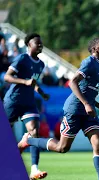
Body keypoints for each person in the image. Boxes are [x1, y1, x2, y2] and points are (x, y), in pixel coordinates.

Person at [18, 38, 99, 180]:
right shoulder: (89, 62)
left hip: (89, 114)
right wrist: (86, 104)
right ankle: (29, 140)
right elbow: (73, 83)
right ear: (94, 48)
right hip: (75, 110)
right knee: (62, 148)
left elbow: (87, 93)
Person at [3, 33, 49, 179]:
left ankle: (34, 169)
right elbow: (7, 77)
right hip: (13, 101)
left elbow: (33, 82)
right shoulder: (22, 58)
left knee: (34, 131)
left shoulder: (41, 64)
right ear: (29, 45)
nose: (40, 45)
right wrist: (24, 82)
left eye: (41, 43)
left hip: (28, 102)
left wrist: (42, 93)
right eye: (37, 43)